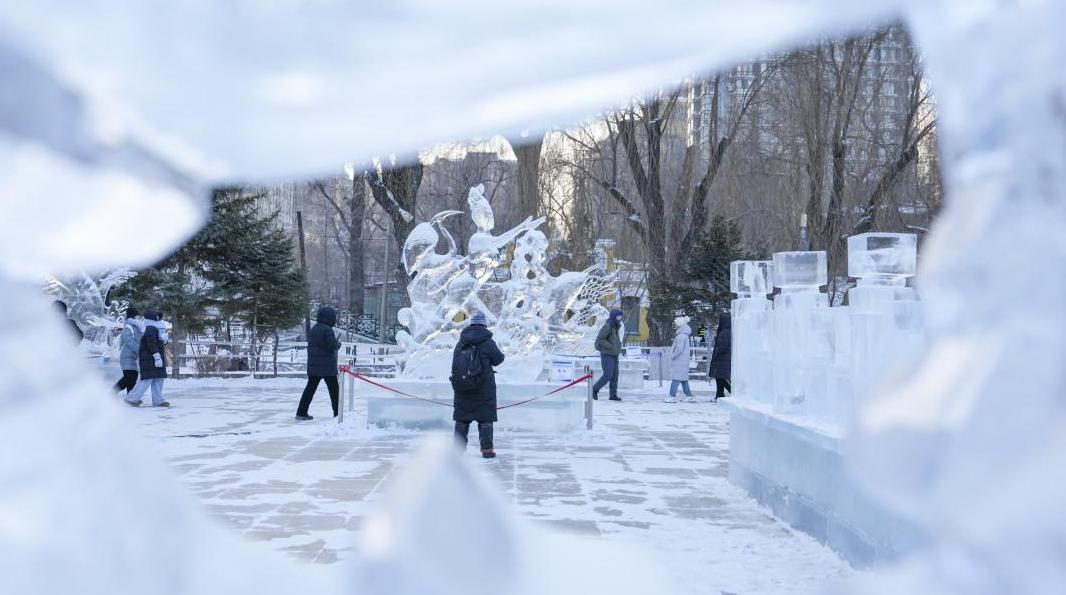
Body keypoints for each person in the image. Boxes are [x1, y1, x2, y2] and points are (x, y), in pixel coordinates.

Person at [451, 312, 505, 459]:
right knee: (485, 419)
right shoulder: (487, 341)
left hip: (463, 387)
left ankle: (457, 450)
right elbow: (499, 359)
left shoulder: (461, 342)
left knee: (462, 420)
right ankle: (487, 450)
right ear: (484, 324)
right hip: (484, 388)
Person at [295, 306, 342, 421]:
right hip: (327, 366)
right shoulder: (328, 330)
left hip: (314, 365)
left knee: (310, 389)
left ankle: (301, 412)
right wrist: (338, 343)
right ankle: (337, 413)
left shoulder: (314, 328)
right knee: (334, 390)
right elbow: (332, 345)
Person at [125, 309, 170, 408]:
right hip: (149, 358)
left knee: (158, 379)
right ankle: (131, 398)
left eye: (159, 316)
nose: (159, 318)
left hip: (153, 358)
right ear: (152, 317)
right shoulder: (150, 328)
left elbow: (158, 343)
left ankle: (158, 400)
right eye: (157, 316)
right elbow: (151, 343)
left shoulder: (155, 328)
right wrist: (157, 356)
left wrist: (164, 340)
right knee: (147, 379)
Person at [592, 308, 624, 401]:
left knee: (615, 375)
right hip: (607, 355)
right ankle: (594, 389)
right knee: (608, 375)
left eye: (621, 315)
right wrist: (610, 346)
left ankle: (613, 395)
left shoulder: (616, 326)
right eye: (618, 315)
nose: (620, 317)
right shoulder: (608, 325)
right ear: (614, 316)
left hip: (614, 355)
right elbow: (600, 339)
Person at [113, 307, 144, 394]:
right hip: (127, 355)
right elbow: (129, 340)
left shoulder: (137, 327)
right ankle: (113, 391)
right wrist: (139, 349)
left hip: (132, 356)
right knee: (128, 377)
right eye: (138, 316)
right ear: (134, 316)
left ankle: (130, 396)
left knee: (132, 377)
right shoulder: (128, 326)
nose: (139, 318)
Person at [666, 316, 694, 403]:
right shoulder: (683, 335)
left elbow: (679, 349)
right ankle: (689, 395)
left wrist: (672, 356)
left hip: (679, 361)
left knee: (675, 379)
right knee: (683, 380)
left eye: (676, 324)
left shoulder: (681, 336)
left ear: (680, 325)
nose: (674, 326)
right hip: (683, 361)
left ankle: (672, 396)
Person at [707, 311, 732, 402]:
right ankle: (719, 395)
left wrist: (717, 353)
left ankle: (734, 393)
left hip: (722, 360)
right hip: (726, 359)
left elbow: (722, 346)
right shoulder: (729, 331)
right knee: (720, 378)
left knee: (722, 379)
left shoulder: (724, 332)